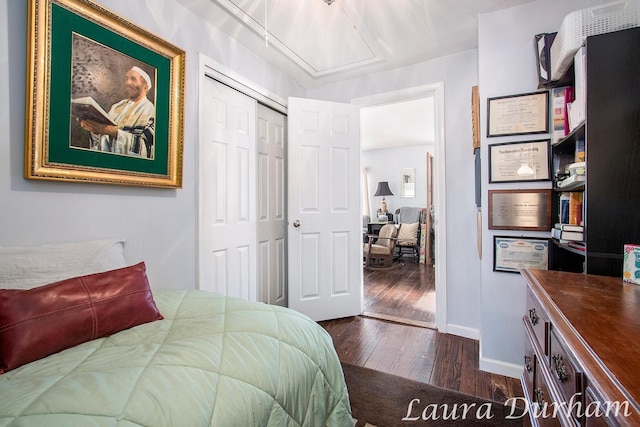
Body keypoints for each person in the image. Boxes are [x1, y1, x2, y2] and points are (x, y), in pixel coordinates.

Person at [80, 66, 155, 159]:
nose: (127, 82)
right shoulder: (116, 106)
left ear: (145, 87)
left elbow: (147, 148)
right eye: (126, 79)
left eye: (133, 79)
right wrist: (94, 129)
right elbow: (102, 141)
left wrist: (110, 131)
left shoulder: (151, 110)